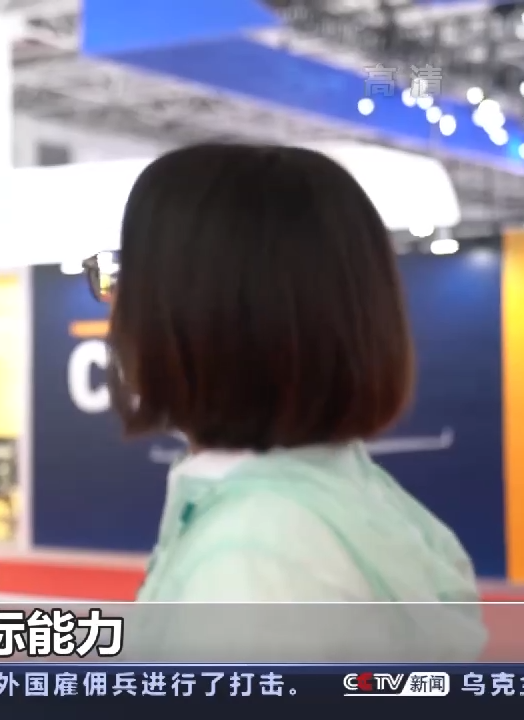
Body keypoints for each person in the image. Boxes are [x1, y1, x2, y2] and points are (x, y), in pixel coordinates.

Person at [86, 143, 485, 661]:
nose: (115, 306)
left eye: (127, 277)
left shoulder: (251, 561)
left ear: (200, 310)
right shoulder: (357, 502)